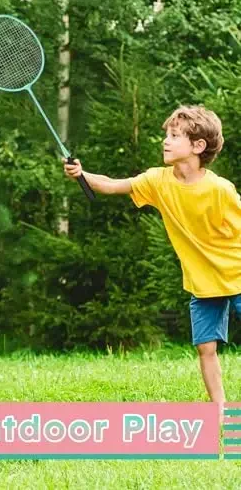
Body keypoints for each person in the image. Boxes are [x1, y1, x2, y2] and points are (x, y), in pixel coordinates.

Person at [64, 105, 241, 419]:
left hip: (237, 273)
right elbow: (112, 185)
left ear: (198, 146)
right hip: (202, 281)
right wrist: (82, 174)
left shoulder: (220, 190)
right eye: (166, 135)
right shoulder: (158, 181)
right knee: (206, 348)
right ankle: (221, 412)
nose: (165, 141)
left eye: (174, 136)